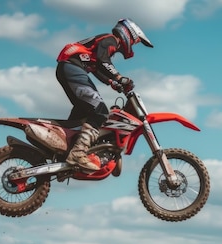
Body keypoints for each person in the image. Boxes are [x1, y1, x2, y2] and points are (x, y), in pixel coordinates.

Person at [56, 18, 153, 171]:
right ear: (129, 34)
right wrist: (119, 77)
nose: (134, 45)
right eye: (135, 41)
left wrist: (112, 82)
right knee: (100, 111)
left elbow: (96, 68)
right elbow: (103, 61)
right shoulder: (110, 40)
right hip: (72, 67)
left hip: (70, 68)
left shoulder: (105, 44)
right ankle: (77, 153)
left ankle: (63, 148)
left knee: (84, 111)